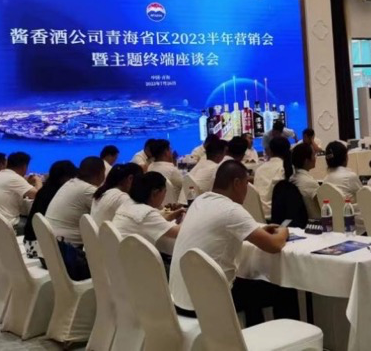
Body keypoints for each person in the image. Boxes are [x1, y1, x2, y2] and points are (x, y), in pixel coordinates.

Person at [170, 160, 296, 327]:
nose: (247, 190)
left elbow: (219, 230)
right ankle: (287, 336)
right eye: (246, 184)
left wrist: (254, 231)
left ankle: (252, 333)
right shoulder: (231, 210)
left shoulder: (199, 202)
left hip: (179, 300)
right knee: (285, 288)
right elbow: (274, 246)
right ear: (237, 183)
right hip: (208, 303)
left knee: (249, 288)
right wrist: (284, 231)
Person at [113, 171, 184, 255]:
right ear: (155, 193)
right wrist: (186, 216)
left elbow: (152, 222)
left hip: (117, 256)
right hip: (133, 259)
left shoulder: (128, 204)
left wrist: (172, 216)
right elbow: (178, 232)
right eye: (164, 192)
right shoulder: (146, 213)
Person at [46, 156, 107, 246]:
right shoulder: (87, 190)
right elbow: (107, 211)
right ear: (101, 173)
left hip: (50, 244)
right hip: (67, 248)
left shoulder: (70, 183)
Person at [22, 160, 77, 258]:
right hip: (41, 248)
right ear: (64, 177)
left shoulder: (45, 190)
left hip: (30, 243)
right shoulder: (59, 194)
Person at [0, 152, 39, 230]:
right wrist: (38, 180)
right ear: (24, 167)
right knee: (38, 226)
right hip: (7, 225)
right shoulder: (14, 177)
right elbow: (39, 195)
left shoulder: (1, 174)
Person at [322, 141, 365, 232]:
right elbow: (364, 198)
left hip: (334, 227)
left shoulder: (325, 180)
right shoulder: (350, 177)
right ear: (345, 158)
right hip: (355, 227)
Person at [254, 137, 292, 220]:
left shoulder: (259, 169)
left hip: (258, 215)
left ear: (270, 151)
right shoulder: (285, 168)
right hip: (277, 217)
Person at [147, 139, 184, 204]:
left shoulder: (150, 167)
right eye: (170, 150)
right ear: (166, 152)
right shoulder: (172, 170)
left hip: (156, 203)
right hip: (174, 205)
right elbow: (186, 185)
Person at [289, 143, 321, 219]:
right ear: (306, 161)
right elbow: (323, 206)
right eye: (313, 155)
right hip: (315, 221)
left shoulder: (291, 179)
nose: (315, 158)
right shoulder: (310, 183)